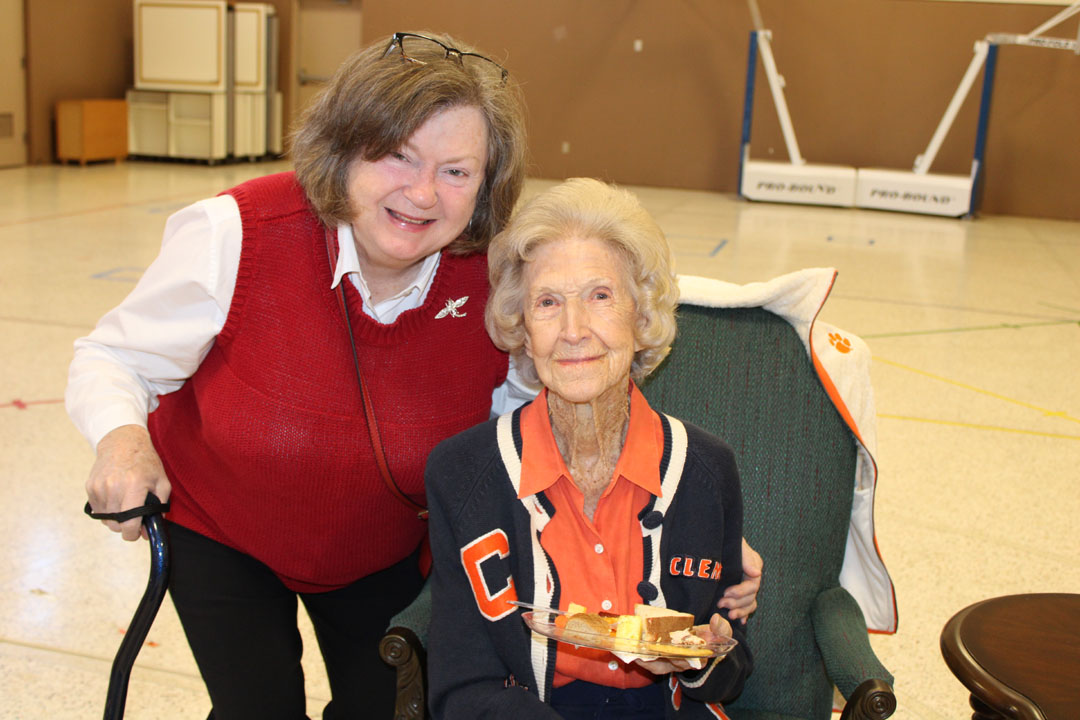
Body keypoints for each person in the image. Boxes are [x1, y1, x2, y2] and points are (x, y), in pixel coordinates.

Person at [66, 32, 760, 719]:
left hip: (383, 548)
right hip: (223, 527)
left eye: (456, 171)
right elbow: (114, 357)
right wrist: (122, 440)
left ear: (485, 187)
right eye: (398, 156)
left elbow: (536, 422)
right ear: (343, 151)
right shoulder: (237, 231)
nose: (422, 193)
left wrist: (695, 539)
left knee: (391, 708)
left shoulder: (496, 277)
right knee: (255, 707)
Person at [425, 178, 753, 719]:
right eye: (548, 302)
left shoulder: (706, 468)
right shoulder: (464, 473)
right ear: (524, 331)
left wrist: (708, 659)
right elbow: (459, 688)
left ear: (640, 317)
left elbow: (733, 666)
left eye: (600, 297)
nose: (574, 330)